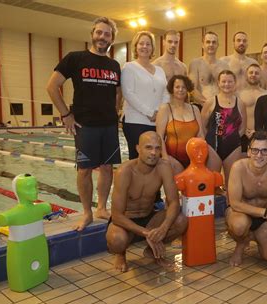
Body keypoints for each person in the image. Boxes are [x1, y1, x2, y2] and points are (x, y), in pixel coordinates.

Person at [46, 17, 121, 231]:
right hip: (85, 125)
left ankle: (102, 208)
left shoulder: (114, 65)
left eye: (107, 34)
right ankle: (87, 211)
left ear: (112, 39)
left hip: (108, 125)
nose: (102, 37)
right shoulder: (75, 58)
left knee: (107, 168)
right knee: (85, 170)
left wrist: (115, 114)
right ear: (92, 34)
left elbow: (117, 93)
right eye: (99, 32)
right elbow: (52, 86)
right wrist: (66, 114)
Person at [106, 131, 188, 272]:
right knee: (116, 240)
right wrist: (146, 233)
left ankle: (151, 251)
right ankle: (121, 254)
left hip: (149, 217)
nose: (153, 153)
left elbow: (174, 202)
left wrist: (163, 228)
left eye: (157, 148)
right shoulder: (124, 171)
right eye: (148, 147)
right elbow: (117, 215)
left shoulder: (164, 167)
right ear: (138, 148)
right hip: (126, 220)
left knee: (181, 221)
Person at [226, 130, 267, 266]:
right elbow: (235, 203)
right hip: (239, 213)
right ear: (249, 151)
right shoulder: (238, 168)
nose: (259, 155)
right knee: (239, 226)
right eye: (255, 150)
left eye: (264, 151)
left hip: (261, 219)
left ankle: (256, 236)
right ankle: (241, 243)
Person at [122, 31, 169, 159]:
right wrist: (149, 112)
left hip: (157, 122)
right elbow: (128, 93)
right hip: (135, 121)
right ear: (136, 47)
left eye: (148, 44)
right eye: (141, 43)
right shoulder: (129, 67)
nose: (144, 47)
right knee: (138, 160)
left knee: (155, 159)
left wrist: (160, 113)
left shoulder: (159, 70)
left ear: (152, 48)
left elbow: (165, 92)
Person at [202, 70, 246, 186]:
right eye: (224, 81)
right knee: (212, 182)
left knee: (232, 182)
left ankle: (230, 204)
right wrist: (211, 139)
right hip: (213, 146)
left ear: (235, 83)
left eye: (230, 81)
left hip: (233, 147)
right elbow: (202, 126)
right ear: (218, 83)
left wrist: (232, 138)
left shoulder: (240, 103)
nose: (227, 84)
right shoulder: (210, 102)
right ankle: (212, 204)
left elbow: (242, 128)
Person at [156, 75, 204, 174]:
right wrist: (165, 158)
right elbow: (159, 136)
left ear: (188, 89)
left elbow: (200, 135)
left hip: (194, 159)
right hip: (173, 159)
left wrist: (201, 156)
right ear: (171, 89)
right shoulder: (165, 109)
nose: (181, 90)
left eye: (184, 87)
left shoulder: (195, 109)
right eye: (177, 87)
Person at [188, 31, 229, 107]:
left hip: (220, 106)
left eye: (214, 42)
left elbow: (228, 88)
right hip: (200, 106)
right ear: (203, 45)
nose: (211, 44)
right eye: (208, 42)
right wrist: (207, 105)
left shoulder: (224, 66)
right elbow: (192, 89)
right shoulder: (195, 64)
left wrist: (217, 106)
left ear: (217, 45)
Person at [237, 63, 267, 154]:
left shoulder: (266, 95)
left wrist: (259, 131)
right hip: (243, 134)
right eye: (251, 72)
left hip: (261, 134)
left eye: (256, 73)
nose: (253, 75)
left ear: (260, 76)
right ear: (246, 75)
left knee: (260, 164)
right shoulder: (239, 94)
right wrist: (243, 129)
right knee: (242, 164)